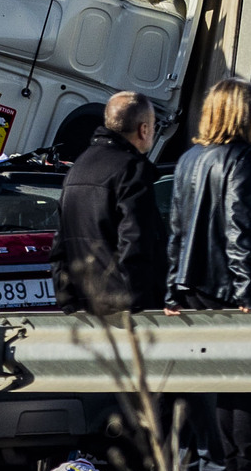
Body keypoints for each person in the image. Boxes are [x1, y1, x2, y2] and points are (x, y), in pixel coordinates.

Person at [164, 77, 251, 471]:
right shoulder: (246, 160)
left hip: (194, 287)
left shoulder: (187, 162)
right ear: (247, 114)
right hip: (232, 287)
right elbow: (243, 230)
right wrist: (247, 291)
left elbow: (177, 233)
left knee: (221, 381)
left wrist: (172, 291)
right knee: (250, 381)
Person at [50, 91, 167, 315]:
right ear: (144, 129)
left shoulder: (78, 167)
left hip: (86, 306)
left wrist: (67, 299)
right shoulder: (132, 168)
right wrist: (139, 302)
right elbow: (136, 240)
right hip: (126, 310)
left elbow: (61, 244)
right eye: (152, 126)